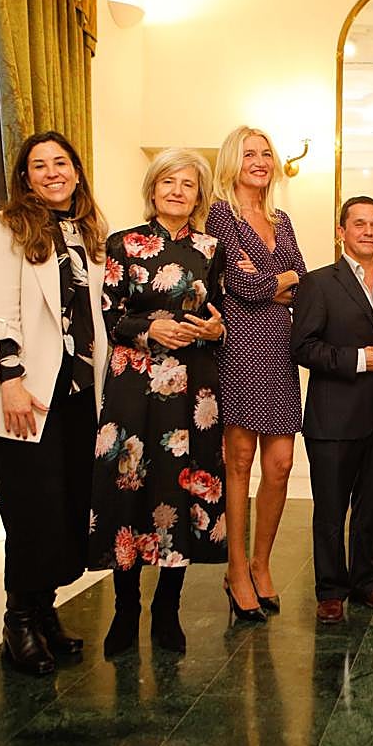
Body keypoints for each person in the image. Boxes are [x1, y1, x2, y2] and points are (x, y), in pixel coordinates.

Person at [0, 131, 108, 675]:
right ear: (25, 177)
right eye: (39, 165)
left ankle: (45, 614)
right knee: (30, 512)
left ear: (76, 171)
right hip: (24, 394)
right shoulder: (6, 227)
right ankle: (18, 622)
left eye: (62, 163)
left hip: (76, 397)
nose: (52, 172)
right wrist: (10, 379)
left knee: (68, 507)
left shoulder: (88, 232)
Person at [87, 149, 227, 656]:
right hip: (133, 382)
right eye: (168, 181)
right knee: (128, 486)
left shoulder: (213, 248)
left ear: (198, 196)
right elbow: (109, 313)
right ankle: (125, 610)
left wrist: (216, 329)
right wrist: (152, 328)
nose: (177, 191)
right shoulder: (122, 243)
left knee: (180, 486)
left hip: (193, 386)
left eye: (187, 184)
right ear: (152, 189)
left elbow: (221, 315)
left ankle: (168, 610)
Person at [291, 196, 373, 624]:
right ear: (341, 231)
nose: (368, 231)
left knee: (371, 505)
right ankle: (330, 591)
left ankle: (366, 582)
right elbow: (302, 347)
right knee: (329, 508)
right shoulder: (319, 283)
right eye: (358, 223)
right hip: (333, 418)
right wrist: (359, 360)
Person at [207, 125, 307, 621]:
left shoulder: (280, 219)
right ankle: (236, 570)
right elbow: (232, 285)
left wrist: (265, 279)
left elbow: (301, 280)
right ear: (233, 161)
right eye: (250, 153)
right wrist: (272, 281)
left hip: (280, 349)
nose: (261, 161)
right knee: (240, 461)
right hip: (240, 346)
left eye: (267, 153)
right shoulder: (217, 215)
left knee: (282, 463)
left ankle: (262, 562)